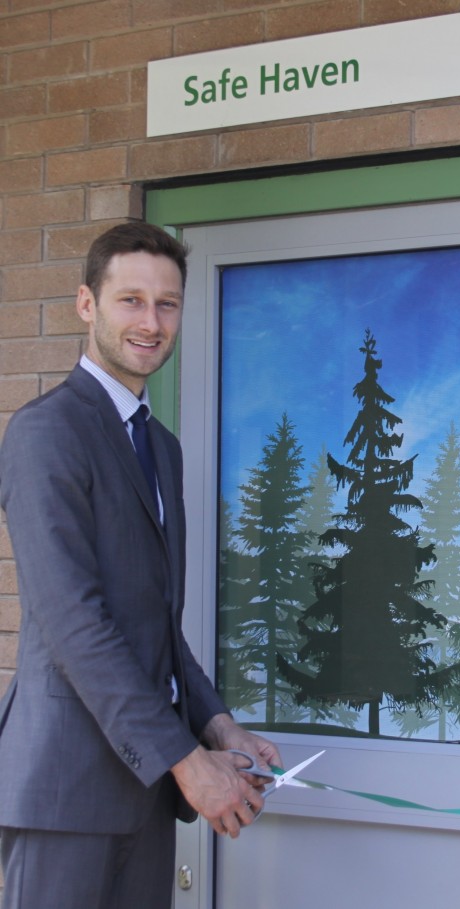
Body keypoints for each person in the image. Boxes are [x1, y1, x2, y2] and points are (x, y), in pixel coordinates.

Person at [0, 222, 281, 909]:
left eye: (167, 304)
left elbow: (157, 624)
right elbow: (74, 624)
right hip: (63, 795)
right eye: (131, 300)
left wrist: (219, 726)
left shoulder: (162, 447)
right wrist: (190, 762)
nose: (151, 323)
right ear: (87, 305)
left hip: (146, 796)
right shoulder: (46, 432)